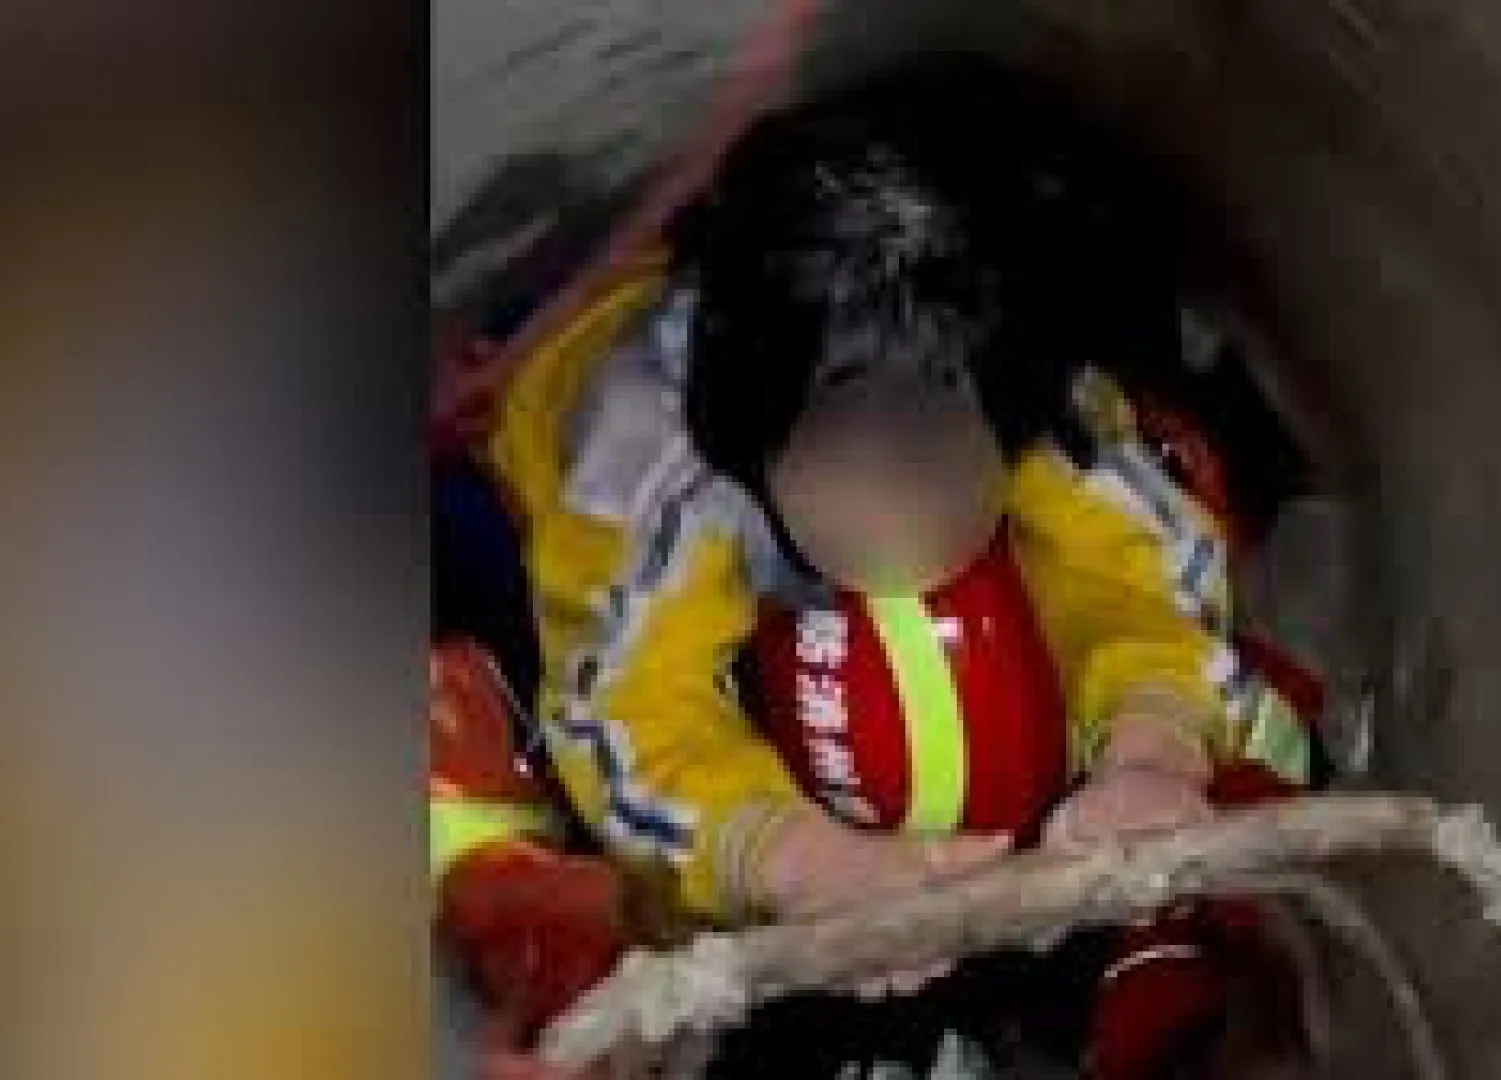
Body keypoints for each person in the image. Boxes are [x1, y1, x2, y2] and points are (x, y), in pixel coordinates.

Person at [456, 60, 1319, 1078]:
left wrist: (1151, 752)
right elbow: (625, 713)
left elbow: (1138, 571)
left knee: (1186, 473)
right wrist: (800, 861)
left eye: (936, 474)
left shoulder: (1029, 388)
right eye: (845, 475)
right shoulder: (653, 479)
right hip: (532, 498)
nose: (893, 530)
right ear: (761, 444)